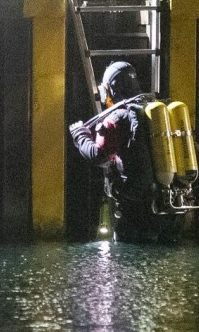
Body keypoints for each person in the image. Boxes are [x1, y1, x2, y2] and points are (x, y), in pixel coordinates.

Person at [68, 61, 177, 242]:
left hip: (136, 207)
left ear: (112, 89)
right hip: (167, 205)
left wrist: (80, 135)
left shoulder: (117, 118)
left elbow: (98, 155)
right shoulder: (157, 111)